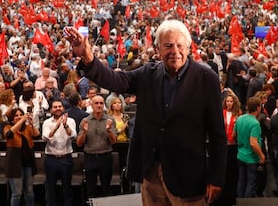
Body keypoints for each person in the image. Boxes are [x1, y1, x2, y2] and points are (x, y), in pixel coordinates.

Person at [65, 19, 227, 205]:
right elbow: (114, 80)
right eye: (168, 45)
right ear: (158, 49)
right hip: (151, 172)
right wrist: (87, 56)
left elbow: (217, 135)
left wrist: (216, 178)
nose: (175, 51)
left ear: (189, 47)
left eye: (180, 45)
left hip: (188, 176)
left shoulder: (207, 79)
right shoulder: (148, 73)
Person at [76, 95, 117, 199]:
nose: (99, 105)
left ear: (104, 105)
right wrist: (84, 132)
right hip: (90, 157)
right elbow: (79, 143)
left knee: (106, 189)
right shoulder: (85, 121)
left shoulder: (110, 120)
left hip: (105, 157)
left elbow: (114, 141)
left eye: (101, 103)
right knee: (91, 190)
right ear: (91, 105)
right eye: (96, 103)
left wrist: (109, 131)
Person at [42, 100, 77, 206]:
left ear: (63, 108)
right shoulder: (47, 122)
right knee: (50, 188)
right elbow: (45, 138)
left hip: (66, 158)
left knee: (67, 188)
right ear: (51, 109)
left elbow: (73, 136)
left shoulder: (70, 121)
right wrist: (56, 126)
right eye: (55, 107)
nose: (57, 108)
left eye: (59, 106)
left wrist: (65, 125)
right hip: (51, 159)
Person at [3, 107, 40, 206]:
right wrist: (22, 120)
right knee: (17, 193)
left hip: (28, 164)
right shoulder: (7, 127)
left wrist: (31, 124)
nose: (19, 117)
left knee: (29, 191)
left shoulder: (27, 128)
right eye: (16, 115)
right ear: (12, 118)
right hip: (14, 166)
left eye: (20, 115)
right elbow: (9, 134)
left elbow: (37, 135)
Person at [234, 96, 265, 198]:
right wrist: (261, 156)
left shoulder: (240, 118)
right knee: (251, 183)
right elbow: (253, 143)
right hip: (251, 158)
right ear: (257, 108)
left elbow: (234, 135)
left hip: (240, 155)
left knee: (241, 181)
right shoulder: (255, 123)